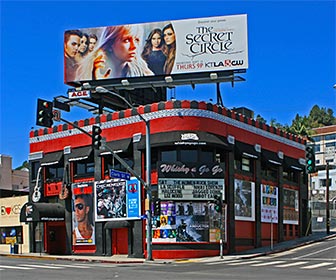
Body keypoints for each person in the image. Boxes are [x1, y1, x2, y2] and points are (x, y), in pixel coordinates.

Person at [76, 25, 153, 81]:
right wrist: (98, 82)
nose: (134, 46)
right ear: (110, 43)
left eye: (136, 40)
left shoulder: (143, 72)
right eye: (126, 40)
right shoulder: (88, 70)